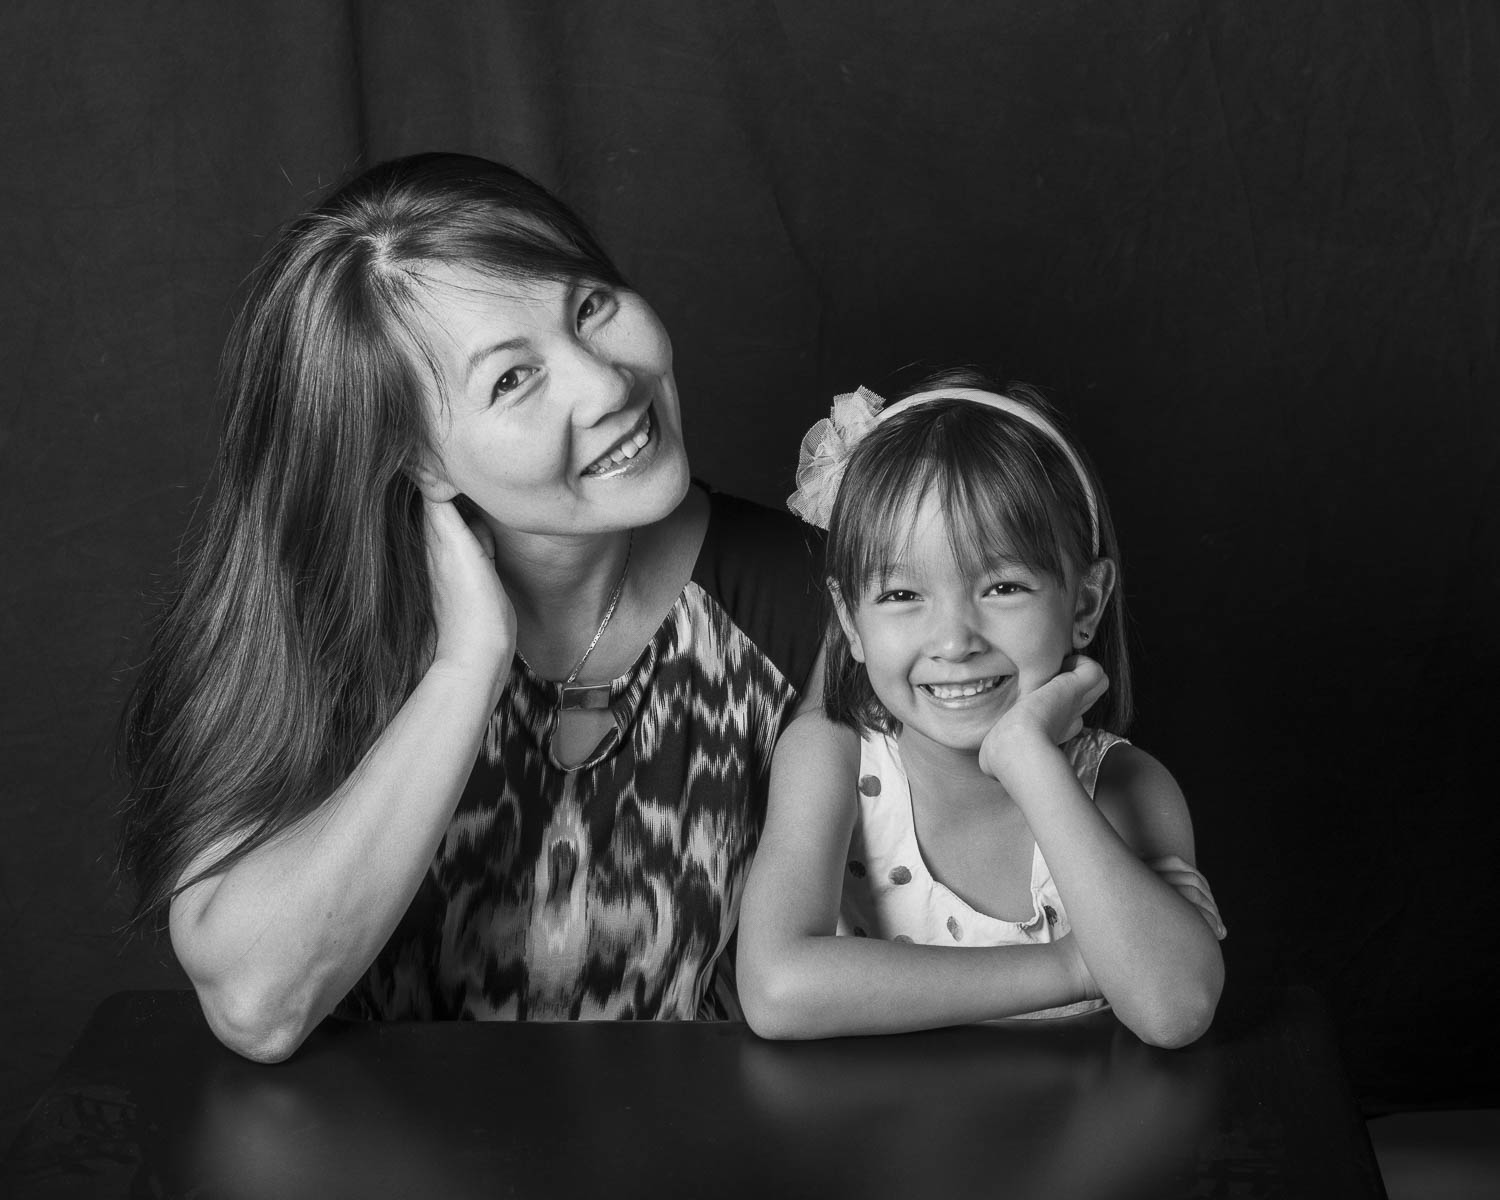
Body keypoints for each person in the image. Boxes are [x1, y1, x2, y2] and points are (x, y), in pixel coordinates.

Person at [118, 152, 824, 1061]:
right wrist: (467, 669)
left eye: (588, 307)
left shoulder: (815, 598)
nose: (607, 385)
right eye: (511, 379)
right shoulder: (315, 630)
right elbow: (258, 1005)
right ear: (417, 459)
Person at [737, 373, 1226, 1045]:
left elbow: (1175, 1009)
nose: (954, 640)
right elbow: (776, 990)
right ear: (850, 622)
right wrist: (1077, 964)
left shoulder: (1126, 788)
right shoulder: (832, 757)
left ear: (1084, 605)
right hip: (870, 1142)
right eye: (904, 595)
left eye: (1001, 586)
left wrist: (1028, 758)